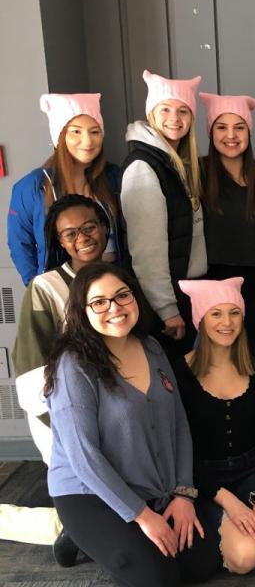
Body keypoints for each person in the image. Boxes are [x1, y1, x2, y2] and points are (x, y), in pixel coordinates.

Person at [45, 262, 219, 586]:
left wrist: (183, 494)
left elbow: (179, 423)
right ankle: (80, 532)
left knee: (202, 562)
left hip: (150, 484)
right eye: (99, 302)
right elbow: (84, 457)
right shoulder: (74, 365)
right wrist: (142, 516)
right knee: (158, 577)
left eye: (122, 295)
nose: (114, 308)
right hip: (89, 493)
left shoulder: (152, 347)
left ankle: (104, 535)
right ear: (83, 310)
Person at [2, 195, 109, 563]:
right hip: (62, 419)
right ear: (58, 241)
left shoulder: (118, 278)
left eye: (90, 227)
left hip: (110, 412)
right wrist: (68, 431)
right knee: (87, 496)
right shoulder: (45, 289)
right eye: (70, 233)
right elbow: (34, 377)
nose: (83, 237)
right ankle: (66, 528)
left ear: (105, 227)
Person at [174, 278, 255, 574]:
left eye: (234, 313)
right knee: (246, 556)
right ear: (201, 320)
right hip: (205, 480)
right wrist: (232, 504)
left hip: (252, 472)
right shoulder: (179, 371)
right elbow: (181, 448)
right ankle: (226, 537)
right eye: (216, 314)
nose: (226, 322)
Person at [121, 70, 206, 355]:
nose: (175, 118)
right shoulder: (144, 167)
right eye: (166, 109)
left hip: (186, 291)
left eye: (183, 110)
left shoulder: (176, 164)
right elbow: (147, 253)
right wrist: (168, 309)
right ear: (151, 113)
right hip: (169, 302)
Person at [198, 92, 255, 366]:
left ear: (249, 132)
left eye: (239, 127)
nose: (231, 135)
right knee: (221, 364)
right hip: (215, 283)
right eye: (222, 127)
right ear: (211, 133)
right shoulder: (198, 173)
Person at [7, 92, 123, 285]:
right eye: (76, 131)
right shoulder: (32, 186)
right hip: (64, 287)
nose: (87, 141)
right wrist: (39, 287)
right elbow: (20, 245)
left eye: (94, 131)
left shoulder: (114, 177)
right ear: (59, 136)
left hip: (114, 282)